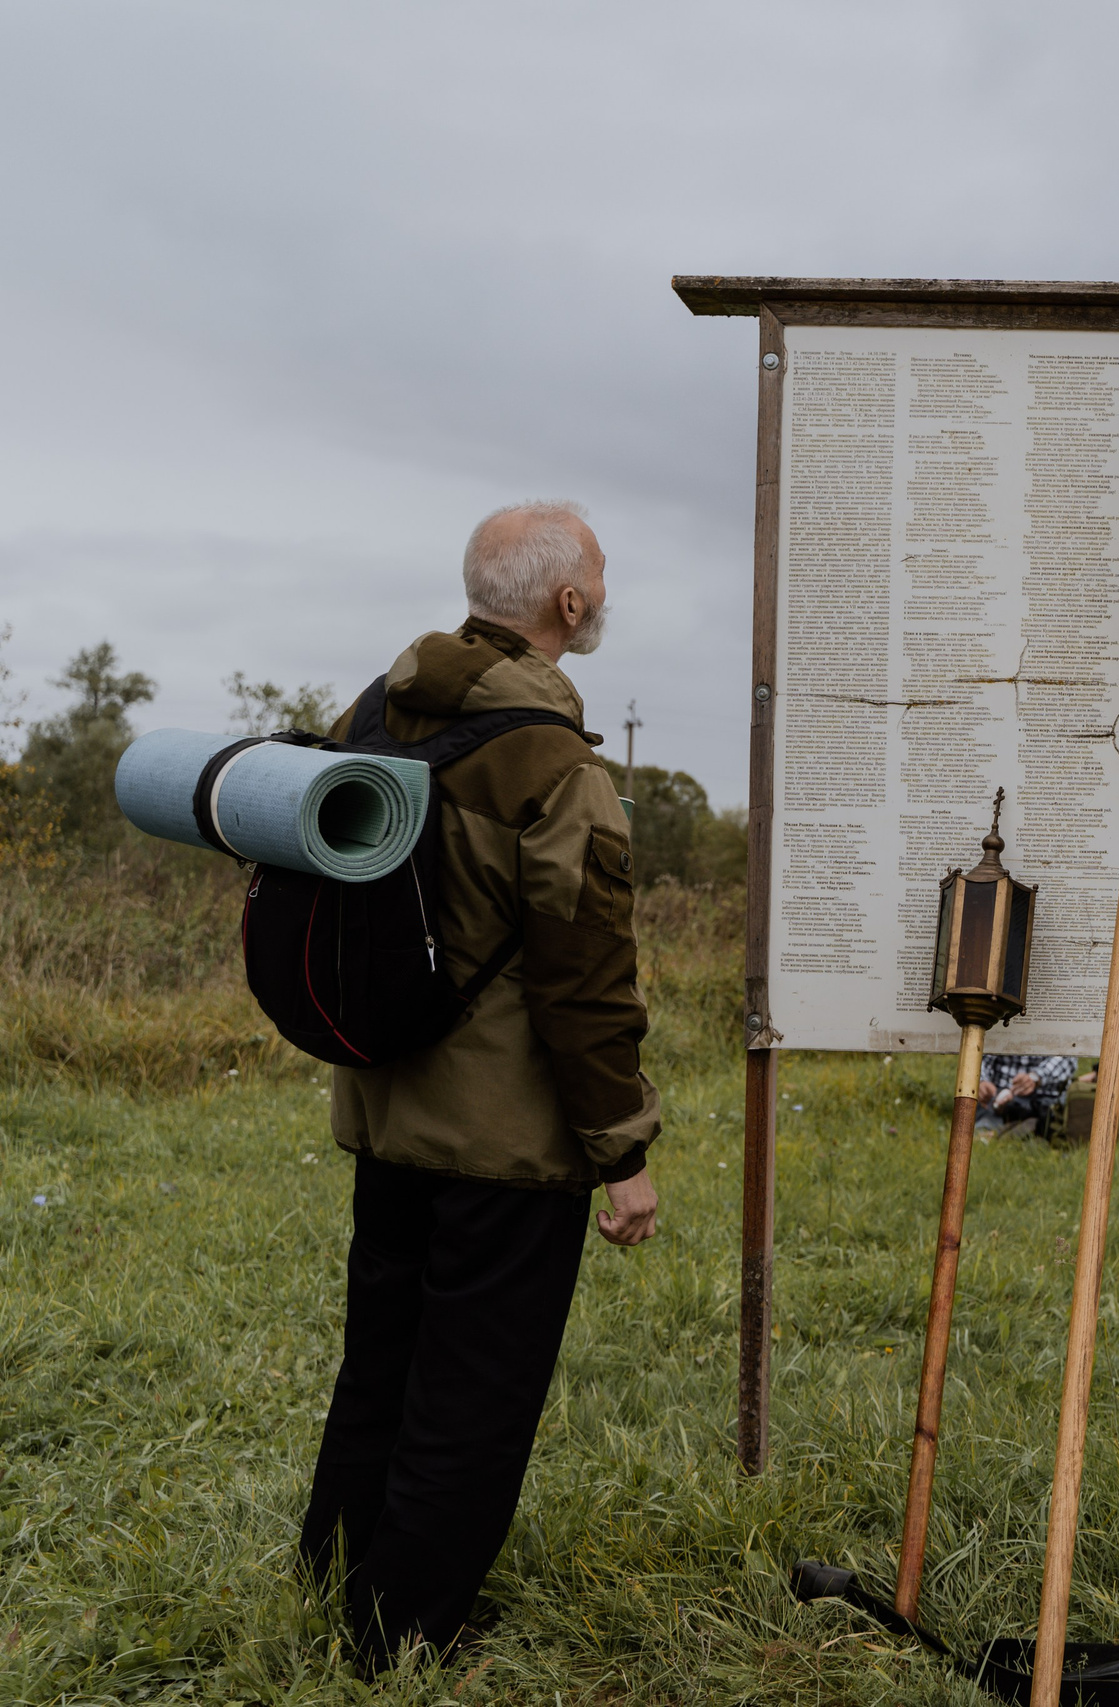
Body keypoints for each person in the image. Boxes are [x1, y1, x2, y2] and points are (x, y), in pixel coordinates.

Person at [299, 500, 660, 1670]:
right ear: (567, 602)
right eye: (598, 576)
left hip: (385, 1107)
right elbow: (586, 979)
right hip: (506, 1141)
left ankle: (336, 1583)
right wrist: (624, 1155)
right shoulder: (551, 762)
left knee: (383, 1359)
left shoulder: (370, 712)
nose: (603, 590)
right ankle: (406, 1634)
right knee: (475, 1392)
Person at [977, 1053, 1075, 1133]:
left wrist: (1037, 1076)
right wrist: (981, 1080)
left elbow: (1068, 1054)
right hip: (996, 1096)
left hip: (1046, 1095)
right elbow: (981, 1052)